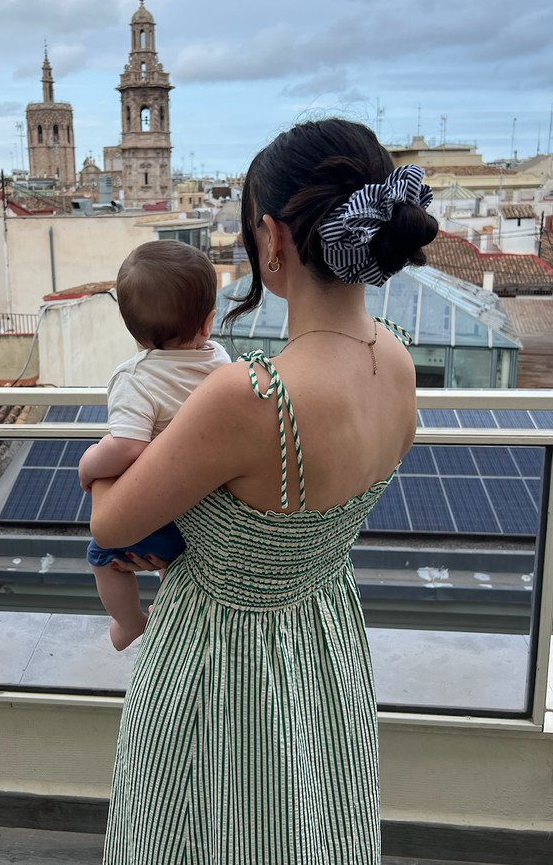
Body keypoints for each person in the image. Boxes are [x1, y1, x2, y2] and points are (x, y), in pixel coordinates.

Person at [89, 119, 438, 864]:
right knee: (309, 826)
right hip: (321, 641)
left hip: (220, 664)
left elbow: (113, 523)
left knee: (202, 830)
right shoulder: (400, 363)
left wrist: (115, 477)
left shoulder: (250, 396)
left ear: (272, 241)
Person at [79, 240, 230, 651]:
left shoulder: (135, 378)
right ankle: (169, 608)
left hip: (161, 507)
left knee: (103, 559)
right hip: (213, 509)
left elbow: (127, 446)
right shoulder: (221, 363)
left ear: (133, 328)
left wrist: (89, 464)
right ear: (208, 322)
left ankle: (130, 623)